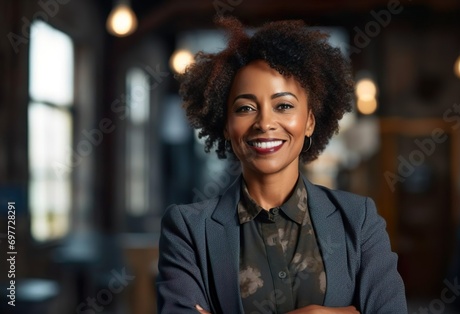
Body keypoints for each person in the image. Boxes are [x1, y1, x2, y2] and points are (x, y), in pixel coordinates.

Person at [157, 17, 407, 314]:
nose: (264, 122)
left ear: (310, 121)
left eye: (284, 106)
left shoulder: (359, 220)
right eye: (245, 108)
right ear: (226, 125)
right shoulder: (188, 229)